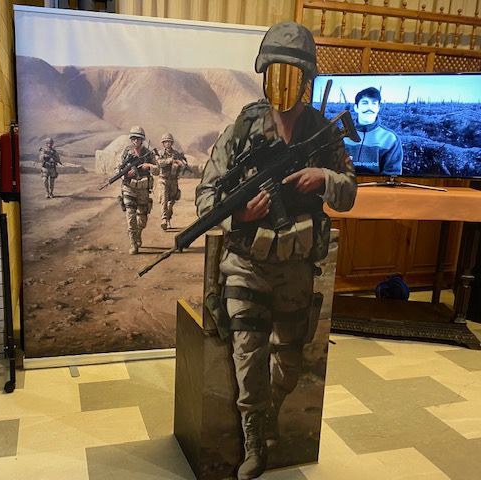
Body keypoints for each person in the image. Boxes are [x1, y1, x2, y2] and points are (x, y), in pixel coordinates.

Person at [195, 22, 357, 480]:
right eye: (275, 75)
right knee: (248, 360)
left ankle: (269, 417)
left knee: (288, 360)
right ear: (264, 76)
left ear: (307, 81)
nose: (283, 86)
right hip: (247, 264)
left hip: (297, 268)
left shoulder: (324, 134)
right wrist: (240, 216)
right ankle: (254, 444)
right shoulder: (242, 131)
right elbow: (207, 198)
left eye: (293, 76)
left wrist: (323, 179)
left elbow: (349, 191)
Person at [344, 86, 403, 176]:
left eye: (374, 103)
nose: (369, 107)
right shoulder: (342, 136)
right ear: (356, 108)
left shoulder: (390, 139)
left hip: (376, 187)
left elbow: (392, 175)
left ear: (378, 108)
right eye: (365, 103)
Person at [118, 126, 156, 255]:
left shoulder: (148, 153)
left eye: (138, 139)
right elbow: (119, 169)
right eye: (133, 138)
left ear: (142, 140)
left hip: (143, 189)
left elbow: (157, 170)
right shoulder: (126, 153)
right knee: (131, 217)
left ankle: (138, 233)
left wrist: (149, 166)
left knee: (142, 219)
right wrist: (126, 174)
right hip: (129, 188)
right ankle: (133, 243)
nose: (135, 141)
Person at [154, 132, 187, 230]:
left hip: (173, 181)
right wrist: (169, 161)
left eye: (169, 142)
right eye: (165, 142)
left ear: (171, 143)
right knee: (164, 200)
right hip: (163, 180)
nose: (167, 144)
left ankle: (168, 219)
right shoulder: (160, 153)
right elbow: (159, 163)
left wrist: (180, 164)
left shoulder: (176, 154)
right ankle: (164, 219)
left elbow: (183, 165)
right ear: (163, 143)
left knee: (171, 202)